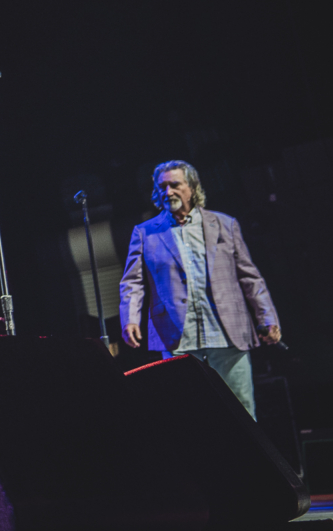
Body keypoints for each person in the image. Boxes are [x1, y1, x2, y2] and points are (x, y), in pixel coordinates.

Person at [120, 160, 280, 418]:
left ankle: (247, 459)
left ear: (192, 188)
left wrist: (267, 318)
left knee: (241, 410)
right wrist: (129, 318)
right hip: (176, 335)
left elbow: (250, 277)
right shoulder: (144, 232)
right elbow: (133, 281)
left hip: (227, 332)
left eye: (175, 185)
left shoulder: (225, 224)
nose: (168, 191)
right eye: (162, 187)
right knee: (188, 413)